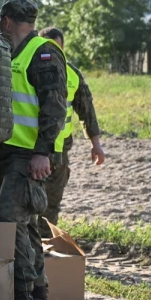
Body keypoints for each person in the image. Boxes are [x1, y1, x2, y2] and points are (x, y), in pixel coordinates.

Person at [0, 0, 67, 300]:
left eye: (0, 22)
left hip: (28, 155)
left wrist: (42, 153)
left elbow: (55, 108)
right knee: (26, 224)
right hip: (5, 152)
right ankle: (40, 297)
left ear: (7, 22)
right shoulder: (9, 52)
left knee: (9, 219)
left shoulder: (44, 53)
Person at [37, 27, 106, 237]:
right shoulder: (29, 69)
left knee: (51, 206)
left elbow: (87, 111)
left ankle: (45, 251)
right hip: (31, 149)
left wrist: (96, 144)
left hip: (59, 153)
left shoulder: (73, 75)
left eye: (57, 49)